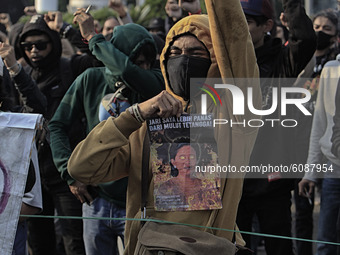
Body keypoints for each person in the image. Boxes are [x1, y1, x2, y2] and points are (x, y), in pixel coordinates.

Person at [67, 0, 261, 254]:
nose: (183, 60)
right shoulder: (149, 126)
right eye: (175, 53)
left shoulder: (234, 118)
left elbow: (235, 40)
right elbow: (81, 168)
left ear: (216, 60)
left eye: (195, 53)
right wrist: (133, 115)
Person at [48, 8, 164, 254]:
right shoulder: (91, 79)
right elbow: (57, 125)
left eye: (147, 61)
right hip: (96, 199)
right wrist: (69, 174)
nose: (143, 67)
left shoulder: (154, 83)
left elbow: (126, 71)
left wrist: (92, 37)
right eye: (136, 60)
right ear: (119, 54)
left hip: (138, 201)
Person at [1, 14, 99, 255]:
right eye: (27, 46)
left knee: (75, 244)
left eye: (41, 45)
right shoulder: (16, 76)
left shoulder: (70, 67)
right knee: (39, 245)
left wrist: (67, 29)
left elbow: (99, 60)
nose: (34, 51)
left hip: (68, 175)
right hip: (33, 177)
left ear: (53, 43)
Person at [236, 0, 316, 254]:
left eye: (247, 21)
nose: (239, 27)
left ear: (267, 25)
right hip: (232, 180)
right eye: (236, 20)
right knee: (233, 248)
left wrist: (292, 5)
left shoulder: (282, 63)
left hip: (272, 182)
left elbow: (304, 40)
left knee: (279, 246)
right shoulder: (223, 61)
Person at [293, 9, 339, 255]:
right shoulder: (320, 66)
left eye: (326, 29)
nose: (320, 32)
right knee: (324, 238)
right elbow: (319, 121)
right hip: (321, 157)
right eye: (316, 27)